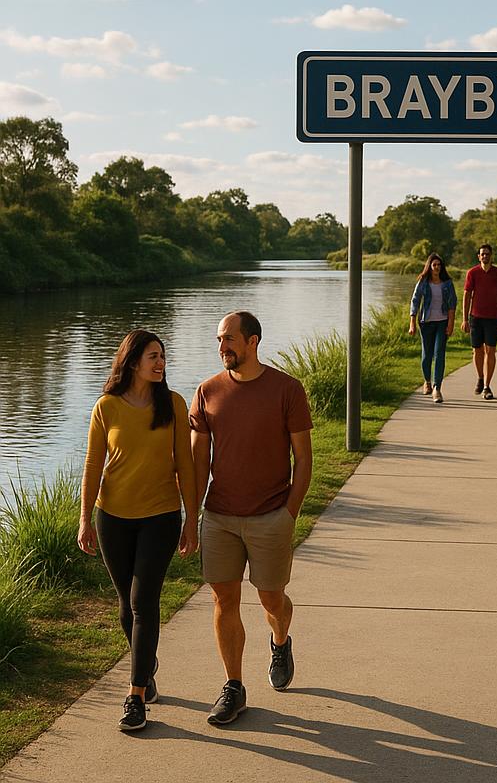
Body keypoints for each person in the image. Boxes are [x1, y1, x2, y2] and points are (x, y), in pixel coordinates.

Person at [190, 311, 313, 726]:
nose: (222, 346)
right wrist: (193, 516)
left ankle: (280, 640)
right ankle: (233, 687)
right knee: (224, 600)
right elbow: (197, 463)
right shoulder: (206, 392)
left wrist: (288, 514)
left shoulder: (287, 390)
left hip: (269, 518)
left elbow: (304, 459)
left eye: (229, 339)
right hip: (220, 517)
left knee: (270, 599)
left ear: (253, 341)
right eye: (219, 339)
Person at [78, 330, 198, 732]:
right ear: (131, 362)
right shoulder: (106, 407)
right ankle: (145, 663)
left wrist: (191, 519)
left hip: (161, 516)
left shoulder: (174, 405)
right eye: (152, 356)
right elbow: (93, 467)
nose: (160, 363)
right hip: (111, 517)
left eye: (163, 356)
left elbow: (186, 464)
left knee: (144, 601)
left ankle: (135, 695)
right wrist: (83, 520)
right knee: (126, 608)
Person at [461, 243, 497, 400]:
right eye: (482, 254)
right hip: (475, 317)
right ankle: (480, 377)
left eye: (487, 254)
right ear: (478, 256)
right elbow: (467, 295)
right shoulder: (472, 273)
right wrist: (464, 319)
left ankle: (487, 386)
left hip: (493, 317)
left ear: (491, 256)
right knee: (477, 350)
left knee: (491, 351)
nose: (485, 256)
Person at [409, 252, 458, 403]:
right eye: (434, 265)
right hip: (426, 323)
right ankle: (427, 381)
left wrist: (450, 324)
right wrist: (412, 322)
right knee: (426, 356)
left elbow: (452, 304)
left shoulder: (447, 283)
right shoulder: (423, 281)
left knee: (439, 354)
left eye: (439, 265)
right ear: (429, 267)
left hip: (442, 322)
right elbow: (415, 301)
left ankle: (437, 388)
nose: (437, 267)